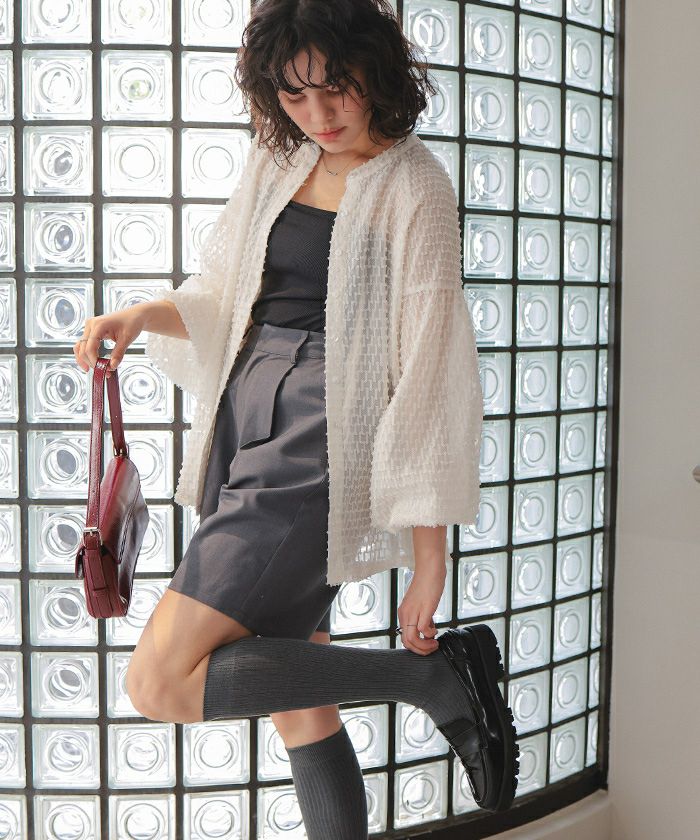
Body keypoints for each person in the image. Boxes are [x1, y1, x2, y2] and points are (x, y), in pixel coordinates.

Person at [74, 0, 519, 834]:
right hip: (247, 415)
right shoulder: (280, 158)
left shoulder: (415, 184)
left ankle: (430, 679)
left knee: (158, 682)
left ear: (377, 72)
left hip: (322, 437)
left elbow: (429, 366)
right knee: (302, 704)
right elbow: (227, 295)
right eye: (295, 93)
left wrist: (430, 558)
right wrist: (139, 317)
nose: (319, 113)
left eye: (337, 86)